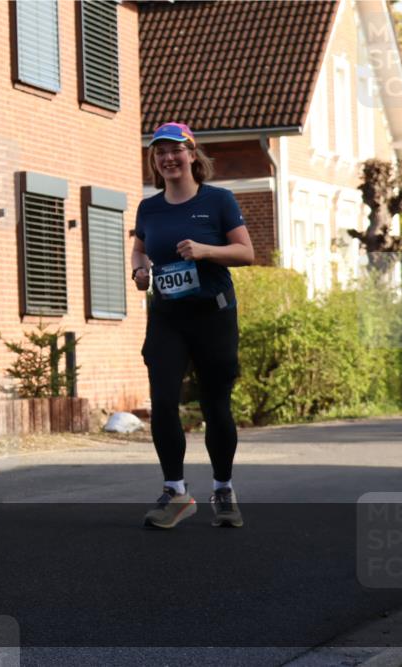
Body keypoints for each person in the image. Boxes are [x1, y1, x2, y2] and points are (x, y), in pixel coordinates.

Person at [132, 122, 254, 529]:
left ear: (192, 155)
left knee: (215, 404)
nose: (168, 158)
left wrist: (204, 250)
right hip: (167, 318)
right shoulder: (148, 208)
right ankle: (176, 491)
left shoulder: (218, 200)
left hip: (213, 316)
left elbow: (245, 252)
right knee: (163, 402)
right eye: (160, 152)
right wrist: (140, 270)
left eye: (175, 151)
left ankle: (223, 488)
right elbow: (139, 247)